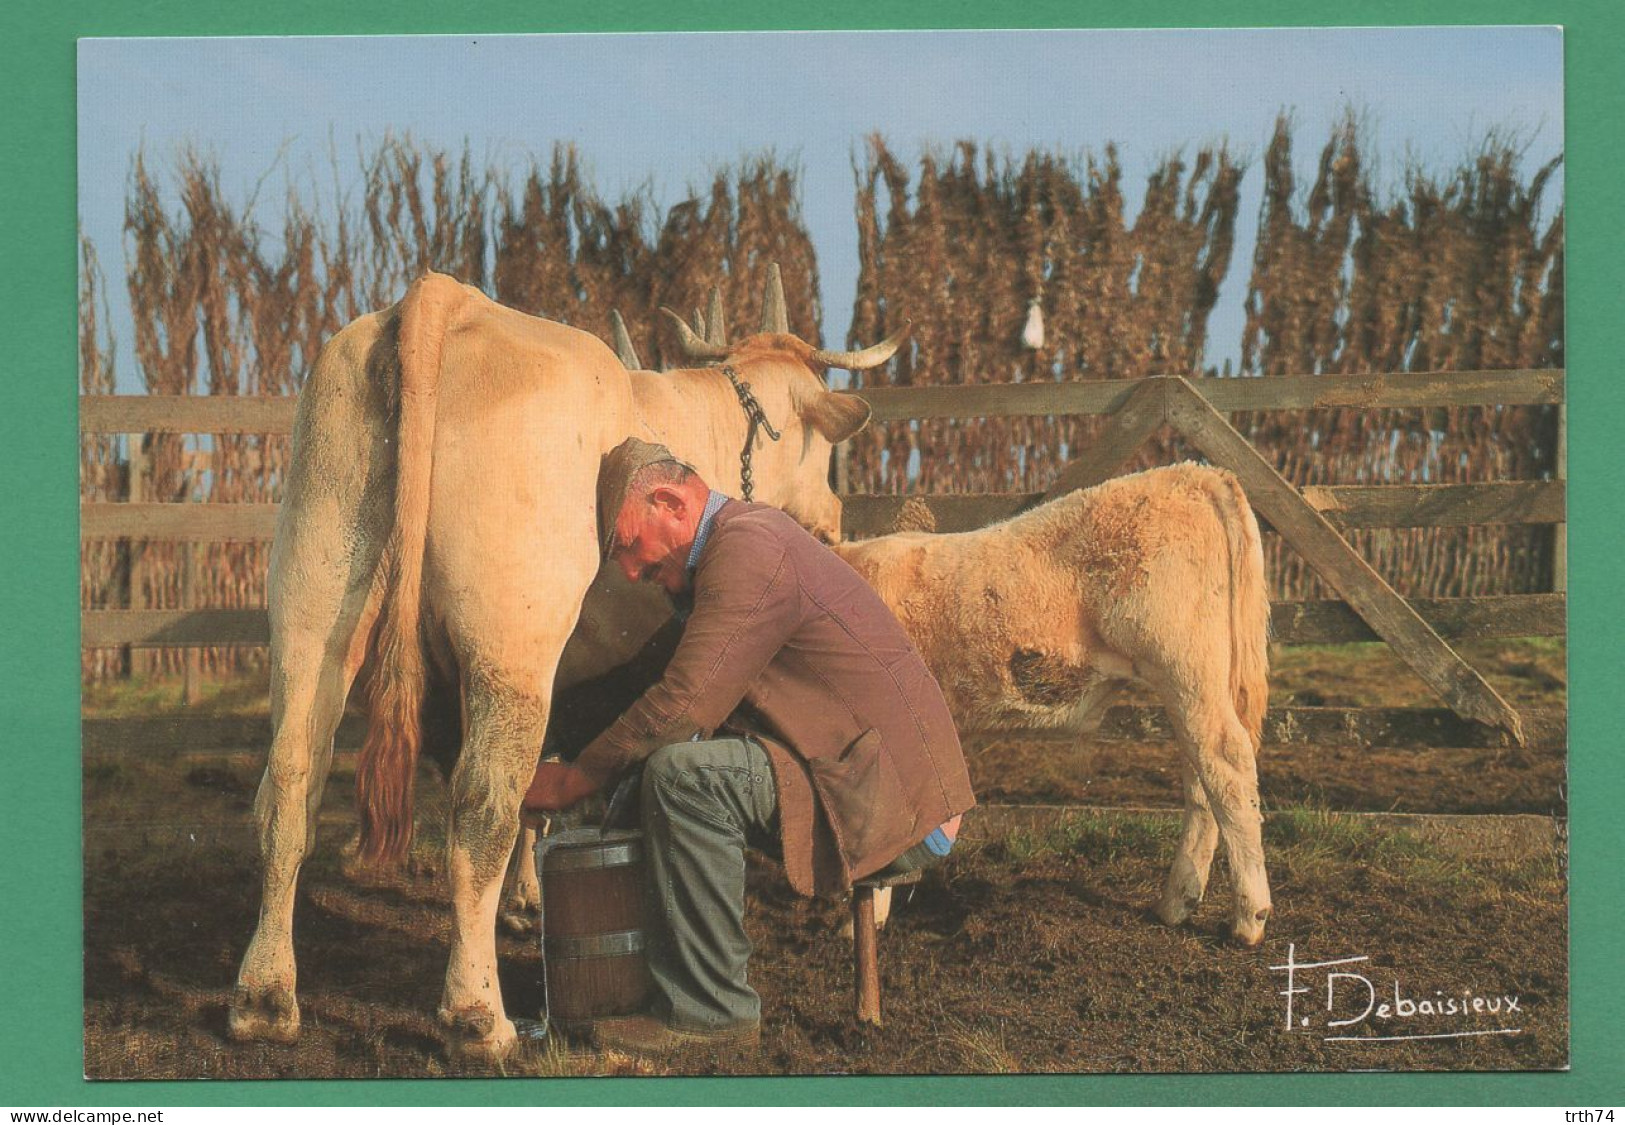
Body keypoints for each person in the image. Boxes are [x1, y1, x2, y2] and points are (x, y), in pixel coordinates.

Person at [524, 437, 974, 1055]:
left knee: (682, 776)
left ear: (670, 503)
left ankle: (712, 1013)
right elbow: (660, 689)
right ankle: (635, 981)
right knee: (655, 765)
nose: (628, 571)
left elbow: (682, 703)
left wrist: (571, 781)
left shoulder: (747, 552)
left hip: (895, 802)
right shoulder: (731, 549)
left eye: (629, 546)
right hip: (855, 770)